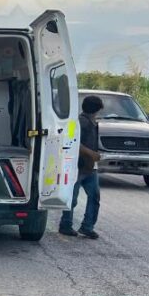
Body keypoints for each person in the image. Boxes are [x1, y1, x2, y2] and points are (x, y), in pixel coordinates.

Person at [60, 95, 103, 239]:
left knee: (94, 196)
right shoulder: (77, 122)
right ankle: (66, 225)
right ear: (96, 109)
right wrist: (91, 153)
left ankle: (87, 226)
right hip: (76, 166)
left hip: (90, 167)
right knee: (72, 198)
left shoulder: (93, 122)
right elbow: (70, 141)